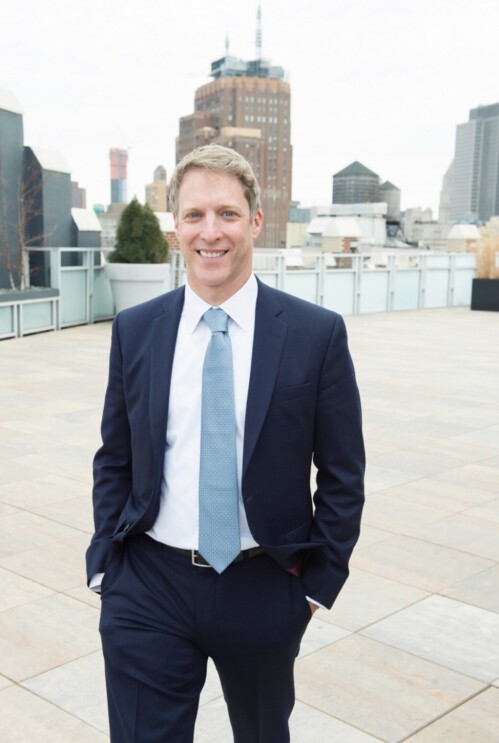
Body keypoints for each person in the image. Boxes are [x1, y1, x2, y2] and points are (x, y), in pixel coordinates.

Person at [86, 144, 365, 743]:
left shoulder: (316, 335)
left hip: (264, 584)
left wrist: (318, 584)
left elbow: (343, 473)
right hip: (149, 583)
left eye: (228, 214)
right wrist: (106, 565)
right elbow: (115, 455)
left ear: (255, 222)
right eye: (194, 215)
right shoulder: (136, 330)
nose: (210, 233)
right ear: (175, 227)